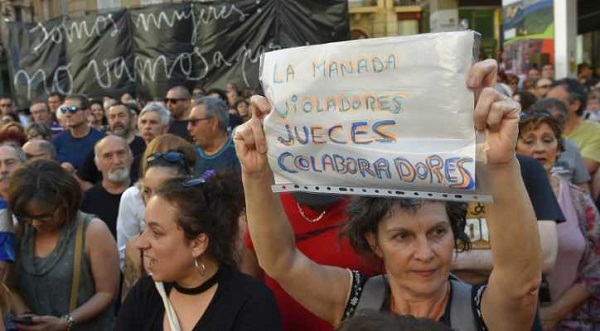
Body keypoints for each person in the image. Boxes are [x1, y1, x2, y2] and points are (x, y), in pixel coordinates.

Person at [234, 60, 542, 329]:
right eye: (402, 237)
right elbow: (279, 261)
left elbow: (521, 283)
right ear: (373, 242)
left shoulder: (483, 313)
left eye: (437, 232)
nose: (425, 253)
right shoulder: (355, 300)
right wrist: (256, 172)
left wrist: (501, 162)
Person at [115, 174, 281, 330]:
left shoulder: (251, 303)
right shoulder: (144, 296)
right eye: (145, 228)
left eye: (156, 232)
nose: (140, 243)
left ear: (198, 244)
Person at [7, 160, 119, 330]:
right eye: (28, 217)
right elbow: (10, 285)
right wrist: (25, 315)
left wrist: (66, 321)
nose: (36, 224)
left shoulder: (92, 231)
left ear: (66, 202)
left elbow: (107, 293)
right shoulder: (21, 231)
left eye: (45, 217)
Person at [515, 111, 600, 330]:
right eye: (529, 141)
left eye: (547, 140)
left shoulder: (578, 199)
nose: (540, 148)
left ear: (559, 149)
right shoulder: (495, 198)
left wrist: (554, 313)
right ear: (512, 148)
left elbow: (595, 266)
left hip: (574, 321)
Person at [116, 134, 197, 269]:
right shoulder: (136, 247)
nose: (153, 200)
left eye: (163, 191)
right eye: (147, 192)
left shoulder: (201, 238)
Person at [81, 135, 134, 238]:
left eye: (121, 153)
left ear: (131, 157)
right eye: (108, 156)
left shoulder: (146, 195)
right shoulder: (85, 202)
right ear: (98, 164)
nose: (116, 161)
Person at [187, 96, 240, 175]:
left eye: (193, 122)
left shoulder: (238, 153)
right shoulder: (192, 155)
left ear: (213, 123)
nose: (189, 128)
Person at [52, 94, 105, 170]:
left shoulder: (101, 141)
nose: (67, 114)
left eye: (73, 109)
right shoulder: (57, 141)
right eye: (64, 110)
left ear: (87, 113)